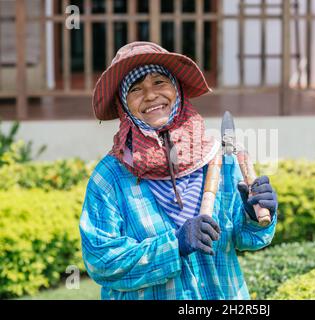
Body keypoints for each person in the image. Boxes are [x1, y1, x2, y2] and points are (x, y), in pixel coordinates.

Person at [79, 42, 278, 300]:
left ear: (178, 89)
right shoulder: (109, 177)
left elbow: (246, 237)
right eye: (136, 89)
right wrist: (175, 245)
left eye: (160, 82)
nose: (150, 95)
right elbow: (101, 261)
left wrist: (255, 215)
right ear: (123, 105)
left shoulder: (218, 156)